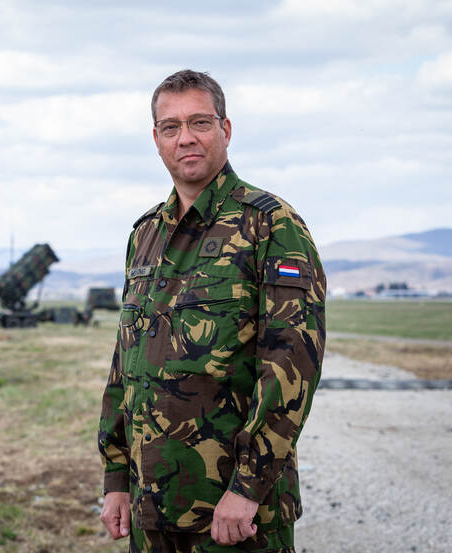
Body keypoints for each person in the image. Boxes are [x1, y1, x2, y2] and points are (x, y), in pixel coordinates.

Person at [98, 69, 326, 553]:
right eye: (170, 127)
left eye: (200, 122)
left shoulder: (270, 226)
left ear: (225, 130)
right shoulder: (145, 236)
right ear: (156, 139)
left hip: (234, 514)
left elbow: (292, 368)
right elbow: (127, 365)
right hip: (150, 505)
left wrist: (247, 489)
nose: (186, 138)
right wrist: (116, 476)